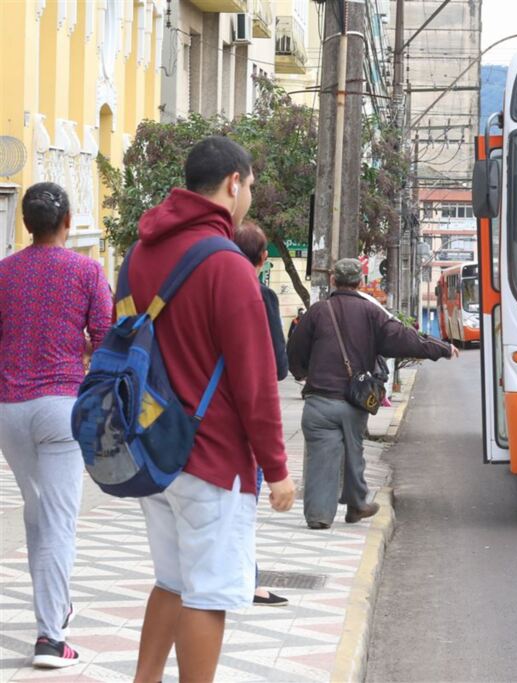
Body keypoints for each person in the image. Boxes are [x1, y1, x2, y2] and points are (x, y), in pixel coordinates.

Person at [127, 136, 295, 683]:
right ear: (233, 183)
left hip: (152, 449)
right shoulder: (227, 265)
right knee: (209, 592)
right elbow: (255, 381)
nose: (248, 194)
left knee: (171, 581)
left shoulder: (139, 252)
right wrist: (277, 470)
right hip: (212, 457)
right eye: (248, 185)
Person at [0, 183, 112, 669]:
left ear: (27, 223)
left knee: (37, 511)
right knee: (57, 522)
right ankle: (50, 638)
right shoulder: (88, 270)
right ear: (67, 220)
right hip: (62, 405)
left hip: (9, 409)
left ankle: (54, 606)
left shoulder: (3, 273)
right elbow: (106, 337)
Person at [287, 258, 458, 529]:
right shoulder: (371, 312)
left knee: (321, 456)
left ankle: (319, 516)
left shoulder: (317, 312)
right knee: (353, 451)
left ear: (333, 280)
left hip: (318, 402)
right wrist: (442, 349)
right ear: (361, 281)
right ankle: (356, 505)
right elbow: (404, 339)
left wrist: (303, 373)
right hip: (352, 402)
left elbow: (295, 351)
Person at [233, 221, 289, 608]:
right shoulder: (262, 295)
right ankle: (246, 582)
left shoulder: (207, 287)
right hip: (246, 415)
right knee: (243, 506)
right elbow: (278, 366)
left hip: (200, 419)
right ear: (264, 258)